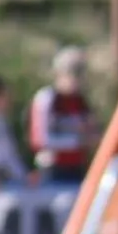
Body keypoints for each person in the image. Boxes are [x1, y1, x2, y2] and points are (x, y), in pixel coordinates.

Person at [30, 46, 95, 185]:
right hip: (52, 171)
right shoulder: (47, 98)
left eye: (81, 73)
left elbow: (91, 132)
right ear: (59, 73)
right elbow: (41, 140)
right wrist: (77, 141)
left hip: (78, 168)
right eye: (73, 73)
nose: (78, 79)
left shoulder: (81, 101)